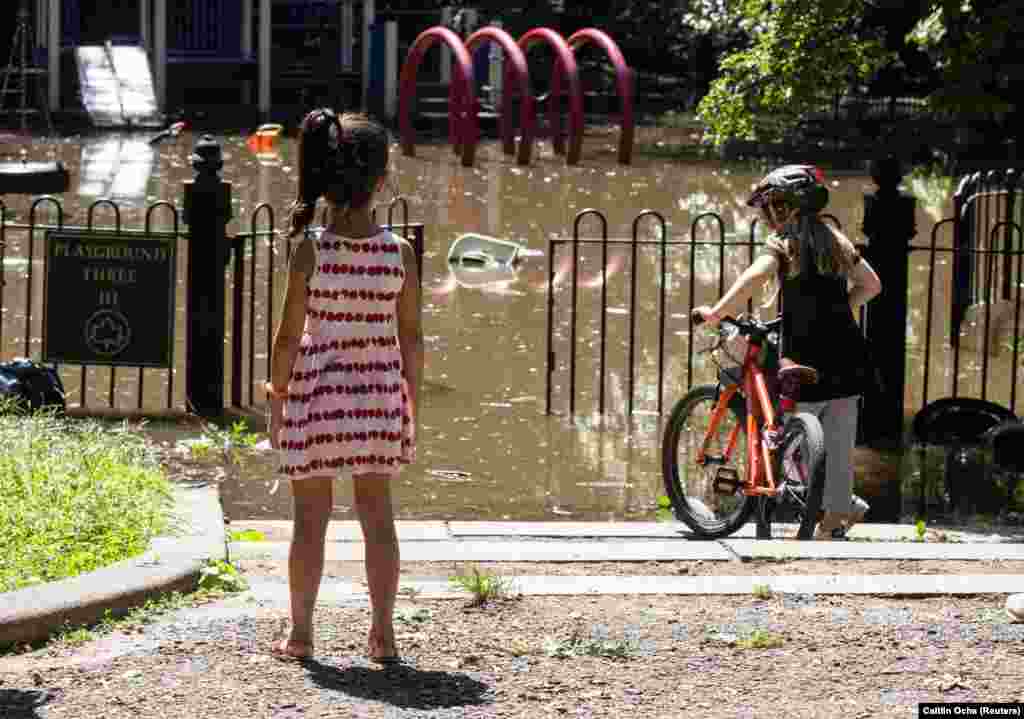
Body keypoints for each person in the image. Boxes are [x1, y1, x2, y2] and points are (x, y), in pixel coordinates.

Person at [265, 108, 423, 662]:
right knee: (377, 514)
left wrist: (276, 399)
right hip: (379, 397)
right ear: (382, 181)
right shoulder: (399, 253)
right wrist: (411, 404)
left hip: (316, 398)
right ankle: (383, 633)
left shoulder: (310, 248)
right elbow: (413, 339)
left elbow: (288, 338)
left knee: (310, 520)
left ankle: (301, 633)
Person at [693, 165, 882, 539]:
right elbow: (872, 285)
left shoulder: (784, 244)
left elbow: (757, 275)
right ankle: (837, 515)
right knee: (839, 444)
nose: (768, 216)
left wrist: (718, 311)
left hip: (804, 356)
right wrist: (843, 305)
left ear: (784, 208)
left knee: (792, 442)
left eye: (770, 208)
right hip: (847, 354)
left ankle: (822, 506)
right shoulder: (835, 240)